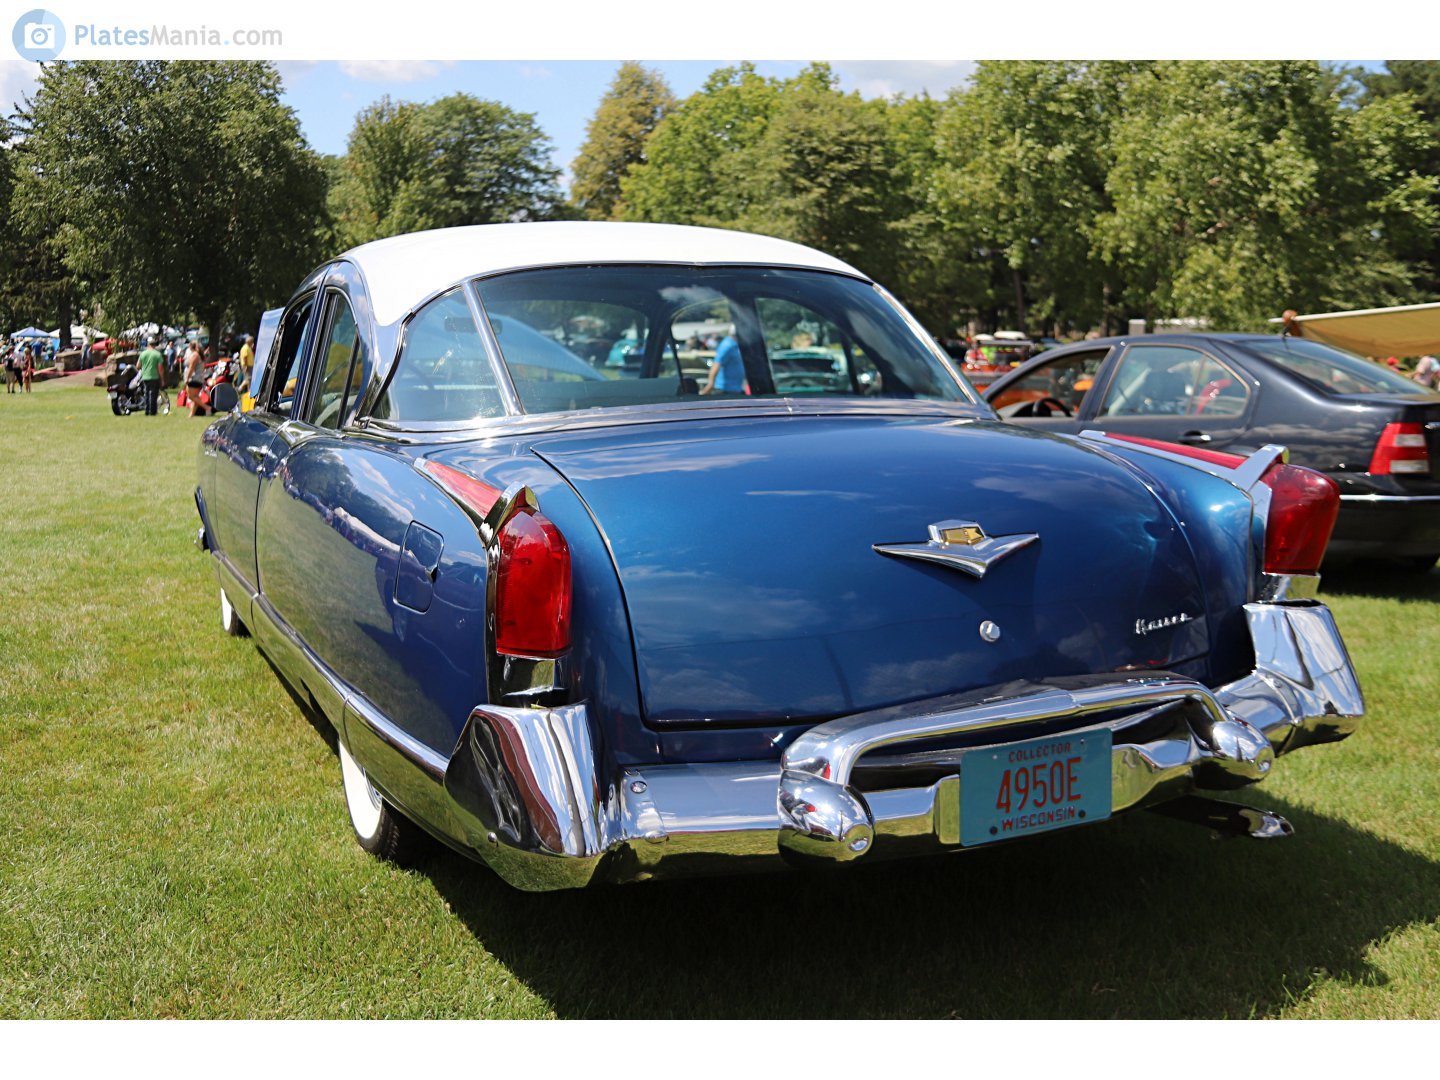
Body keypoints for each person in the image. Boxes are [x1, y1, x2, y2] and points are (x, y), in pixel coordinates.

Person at [136, 336, 164, 416]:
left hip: (145, 376)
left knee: (146, 394)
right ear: (154, 345)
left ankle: (147, 411)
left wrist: (145, 367)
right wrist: (162, 379)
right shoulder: (157, 354)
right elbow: (160, 368)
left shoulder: (143, 354)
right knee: (153, 395)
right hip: (154, 376)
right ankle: (152, 412)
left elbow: (138, 366)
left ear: (148, 344)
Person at [183, 341, 206, 416]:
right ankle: (192, 414)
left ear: (190, 347)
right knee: (195, 396)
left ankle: (207, 408)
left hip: (194, 378)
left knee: (191, 396)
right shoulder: (198, 355)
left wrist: (187, 378)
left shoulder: (195, 355)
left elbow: (191, 368)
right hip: (199, 378)